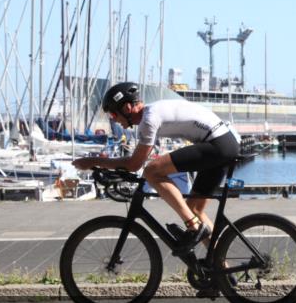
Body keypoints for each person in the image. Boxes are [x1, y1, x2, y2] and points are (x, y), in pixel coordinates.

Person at [72, 82, 240, 248]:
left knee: (152, 171)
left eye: (114, 115)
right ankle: (220, 268)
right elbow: (135, 161)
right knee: (195, 209)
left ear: (127, 108)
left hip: (218, 144)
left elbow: (135, 164)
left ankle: (193, 227)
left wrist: (93, 161)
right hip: (223, 143)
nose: (114, 121)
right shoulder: (150, 115)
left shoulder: (149, 119)